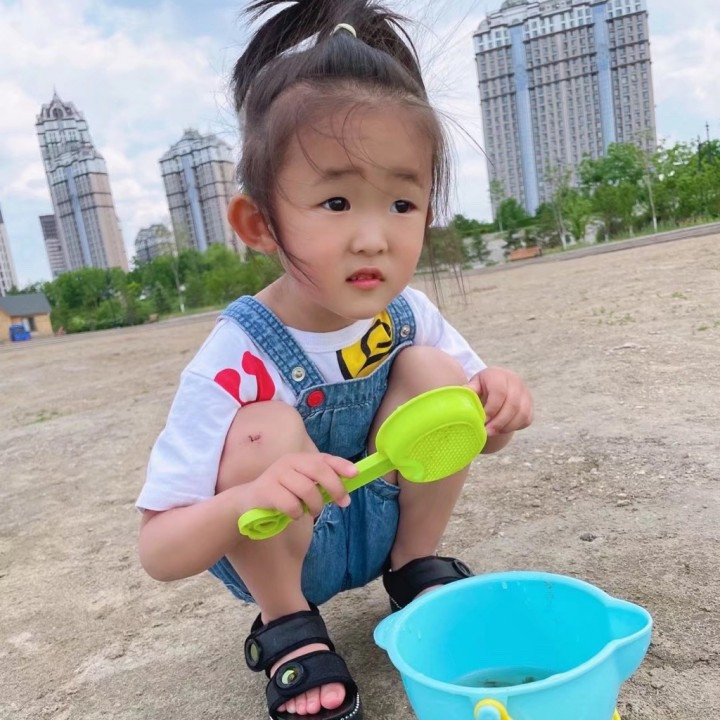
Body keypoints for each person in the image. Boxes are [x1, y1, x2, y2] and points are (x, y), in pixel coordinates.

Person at [137, 1, 533, 718]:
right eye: (338, 201)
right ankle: (288, 625)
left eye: (402, 204)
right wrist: (249, 499)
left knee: (437, 376)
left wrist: (496, 406)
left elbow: (473, 434)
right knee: (261, 428)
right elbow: (159, 551)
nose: (374, 237)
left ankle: (415, 569)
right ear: (259, 222)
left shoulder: (409, 313)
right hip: (282, 547)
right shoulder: (235, 356)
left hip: (382, 522)